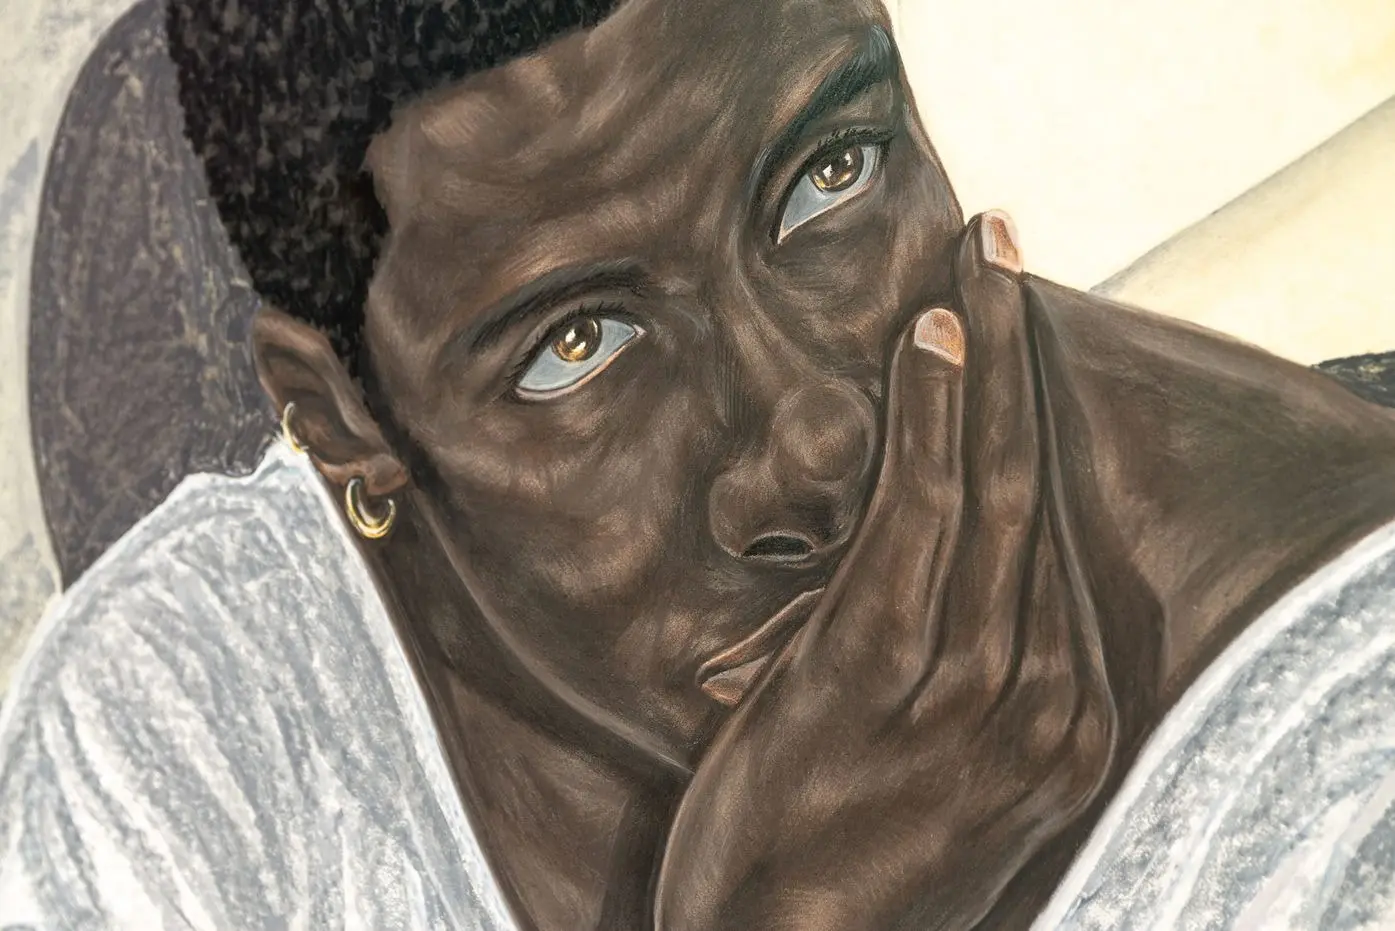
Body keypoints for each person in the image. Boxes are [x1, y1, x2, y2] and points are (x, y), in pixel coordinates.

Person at [4, 0, 1395, 928]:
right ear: (339, 425)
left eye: (832, 176)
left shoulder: (1338, 725)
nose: (813, 446)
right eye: (579, 346)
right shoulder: (183, 721)